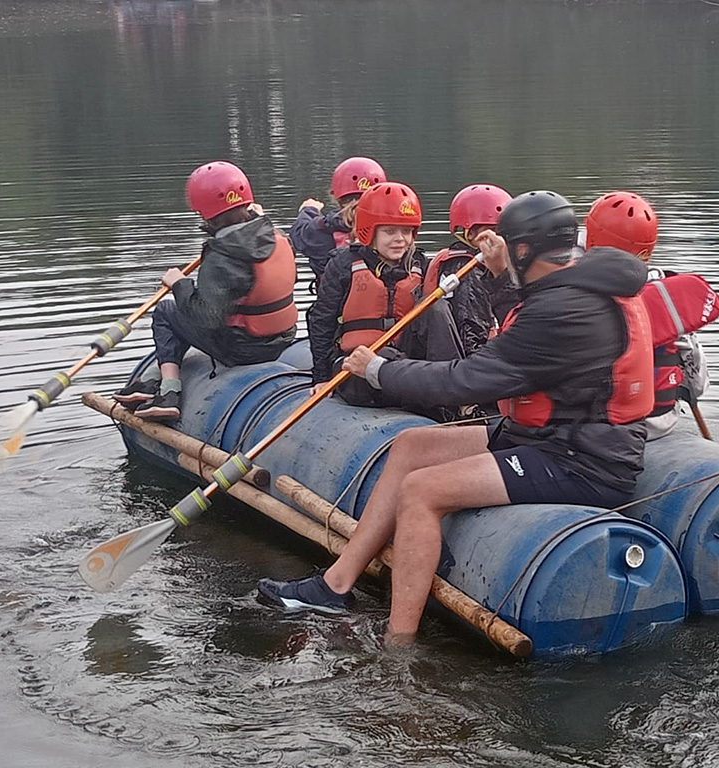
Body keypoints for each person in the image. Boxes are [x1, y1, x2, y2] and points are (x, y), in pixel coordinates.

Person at [257, 190, 656, 645]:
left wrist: (379, 370)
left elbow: (465, 381)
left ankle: (398, 642)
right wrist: (504, 275)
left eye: (508, 244)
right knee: (412, 445)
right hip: (545, 434)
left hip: (580, 460)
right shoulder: (573, 283)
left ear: (524, 249)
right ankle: (335, 585)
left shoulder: (567, 309)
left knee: (422, 491)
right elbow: (524, 323)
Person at [111, 161, 298, 422]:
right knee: (183, 312)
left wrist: (179, 283)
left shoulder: (222, 256)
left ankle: (169, 393)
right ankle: (151, 379)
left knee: (167, 311)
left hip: (243, 349)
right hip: (281, 339)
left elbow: (205, 317)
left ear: (204, 213)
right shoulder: (276, 236)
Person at [307, 180, 464, 411]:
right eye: (390, 231)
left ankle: (454, 393)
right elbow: (321, 321)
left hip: (404, 370)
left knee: (436, 306)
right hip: (356, 369)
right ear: (369, 231)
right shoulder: (342, 264)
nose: (400, 239)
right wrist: (321, 378)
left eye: (406, 231)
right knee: (386, 354)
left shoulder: (420, 264)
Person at [585, 191, 717, 441]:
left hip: (610, 426)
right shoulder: (668, 298)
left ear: (591, 239)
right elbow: (697, 385)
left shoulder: (579, 293)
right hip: (662, 421)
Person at [422, 184, 520, 357]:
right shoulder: (468, 270)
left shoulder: (476, 263)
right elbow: (471, 341)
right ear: (471, 234)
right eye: (494, 231)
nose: (501, 240)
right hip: (469, 366)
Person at [289, 156, 386, 286]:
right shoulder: (392, 232)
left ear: (335, 195)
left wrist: (309, 209)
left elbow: (298, 232)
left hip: (334, 305)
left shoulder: (321, 232)